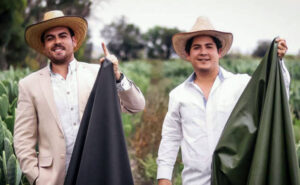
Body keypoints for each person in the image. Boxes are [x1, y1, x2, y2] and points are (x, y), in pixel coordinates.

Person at [13, 10, 145, 185]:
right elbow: (23, 139)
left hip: (95, 173)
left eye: (62, 36)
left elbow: (136, 106)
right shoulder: (29, 85)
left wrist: (117, 76)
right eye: (50, 38)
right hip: (53, 180)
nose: (57, 41)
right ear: (44, 46)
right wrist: (37, 178)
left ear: (74, 41)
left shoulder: (97, 74)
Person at [156, 17, 289, 185]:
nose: (203, 52)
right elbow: (171, 137)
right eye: (197, 47)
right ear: (189, 55)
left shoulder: (240, 84)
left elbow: (276, 95)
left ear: (219, 52)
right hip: (195, 181)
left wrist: (279, 62)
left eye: (209, 47)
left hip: (234, 179)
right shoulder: (178, 95)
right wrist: (164, 178)